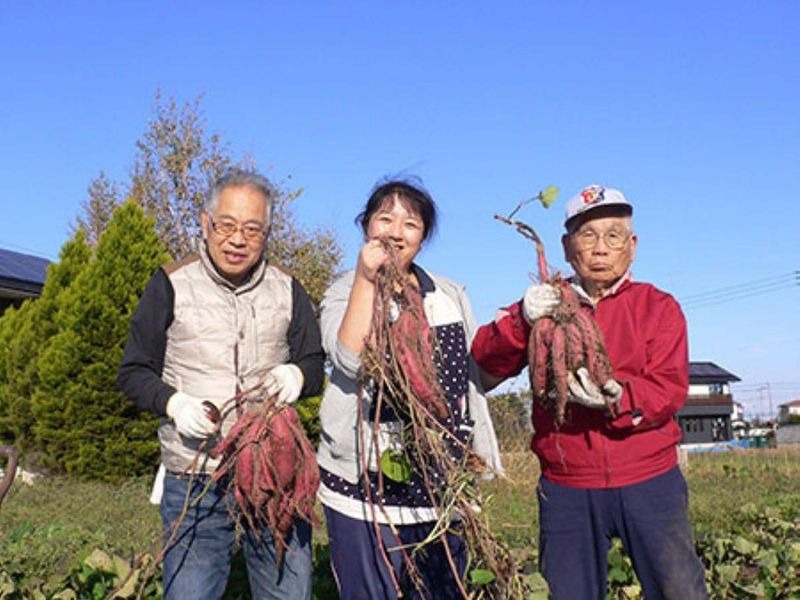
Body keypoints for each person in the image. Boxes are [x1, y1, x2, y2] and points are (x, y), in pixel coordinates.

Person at [471, 184, 708, 599]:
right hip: (567, 485)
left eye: (613, 236)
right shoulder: (546, 306)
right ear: (566, 247)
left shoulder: (658, 306)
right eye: (587, 235)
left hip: (649, 478)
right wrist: (522, 321)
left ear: (632, 246)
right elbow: (486, 362)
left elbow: (669, 388)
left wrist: (619, 399)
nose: (600, 248)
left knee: (679, 590)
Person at [117, 169, 324, 600]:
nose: (237, 239)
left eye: (252, 229)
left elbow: (314, 362)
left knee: (288, 592)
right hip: (195, 474)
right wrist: (174, 404)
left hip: (272, 472)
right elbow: (133, 371)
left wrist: (298, 375)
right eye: (226, 225)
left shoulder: (288, 288)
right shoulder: (171, 283)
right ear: (205, 222)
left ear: (267, 232)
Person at [316, 178, 502, 599]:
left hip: (442, 487)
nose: (396, 233)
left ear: (423, 237)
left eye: (411, 224)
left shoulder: (449, 294)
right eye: (385, 219)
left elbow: (473, 381)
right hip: (364, 490)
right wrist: (367, 279)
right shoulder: (344, 290)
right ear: (366, 227)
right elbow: (349, 359)